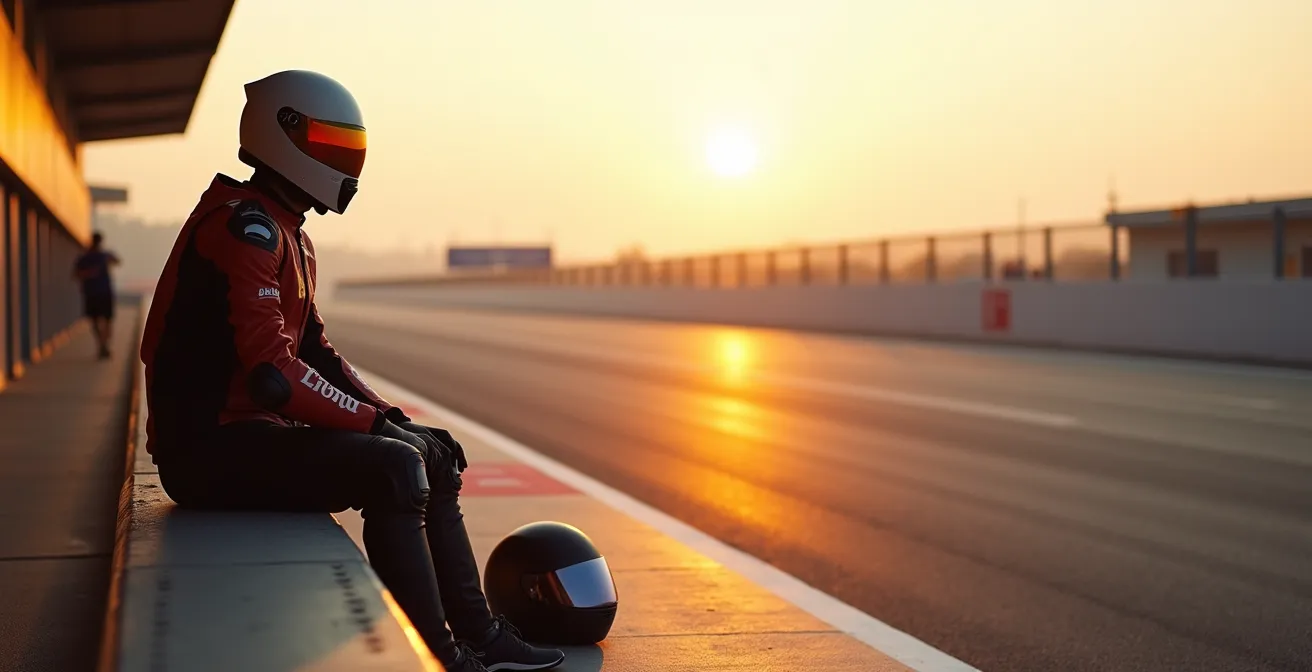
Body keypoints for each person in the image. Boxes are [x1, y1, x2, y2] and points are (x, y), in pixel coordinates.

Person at [138, 70, 565, 672]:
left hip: (246, 438)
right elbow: (275, 374)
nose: (345, 164)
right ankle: (444, 657)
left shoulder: (287, 232)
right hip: (204, 450)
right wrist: (380, 431)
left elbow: (316, 353)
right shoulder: (243, 227)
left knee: (429, 452)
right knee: (394, 469)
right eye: (332, 146)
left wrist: (393, 419)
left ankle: (481, 635)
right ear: (283, 136)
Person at [73, 232, 120, 358]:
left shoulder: (98, 256)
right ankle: (103, 345)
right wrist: (91, 273)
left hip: (95, 293)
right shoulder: (89, 257)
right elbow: (76, 274)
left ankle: (103, 345)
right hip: (100, 292)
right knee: (102, 321)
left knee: (101, 321)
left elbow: (117, 261)